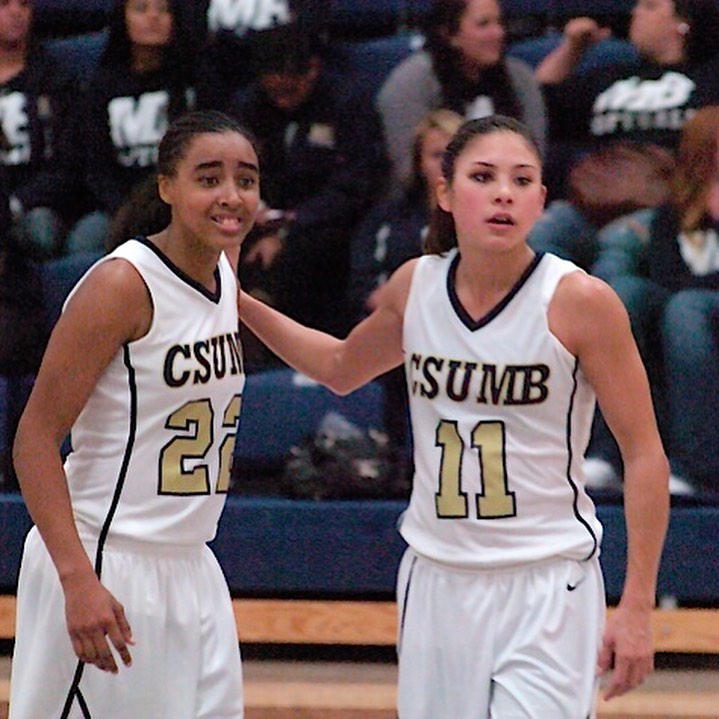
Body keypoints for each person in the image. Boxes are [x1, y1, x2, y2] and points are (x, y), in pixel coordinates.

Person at [239, 115, 669, 716]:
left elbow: (645, 454)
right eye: (483, 176)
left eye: (522, 180)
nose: (503, 193)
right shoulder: (416, 286)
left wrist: (639, 607)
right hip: (438, 578)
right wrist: (235, 300)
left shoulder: (580, 302)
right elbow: (339, 366)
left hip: (546, 580)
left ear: (541, 201)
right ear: (444, 192)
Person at [9, 109, 259, 718]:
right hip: (106, 559)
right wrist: (77, 581)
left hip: (193, 565)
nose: (231, 195)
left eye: (246, 179)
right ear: (167, 186)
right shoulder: (122, 285)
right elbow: (35, 440)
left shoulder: (224, 271)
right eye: (209, 177)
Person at [587, 105, 719, 496]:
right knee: (624, 296)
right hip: (686, 315)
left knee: (686, 309)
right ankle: (610, 453)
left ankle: (694, 466)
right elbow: (664, 274)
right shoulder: (673, 213)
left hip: (695, 311)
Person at [227, 20, 387, 337]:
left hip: (326, 220)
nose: (281, 100)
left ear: (311, 70)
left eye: (289, 91)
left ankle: (268, 328)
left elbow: (358, 181)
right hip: (257, 214)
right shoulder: (249, 107)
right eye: (273, 92)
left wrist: (291, 224)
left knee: (311, 252)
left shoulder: (346, 104)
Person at [529, 0, 719, 267]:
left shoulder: (707, 80)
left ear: (682, 23)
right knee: (540, 237)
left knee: (616, 248)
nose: (636, 12)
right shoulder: (611, 77)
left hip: (665, 204)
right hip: (593, 199)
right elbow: (538, 99)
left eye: (650, 7)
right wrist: (574, 48)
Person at [346, 108, 463, 458]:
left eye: (453, 156)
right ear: (417, 162)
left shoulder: (480, 224)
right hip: (400, 333)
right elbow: (365, 286)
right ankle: (398, 457)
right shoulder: (389, 218)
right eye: (435, 156)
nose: (444, 166)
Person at [63, 0, 219, 256]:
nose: (153, 17)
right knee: (84, 243)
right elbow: (94, 165)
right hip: (120, 203)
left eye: (163, 10)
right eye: (141, 9)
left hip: (187, 200)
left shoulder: (198, 79)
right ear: (122, 18)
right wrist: (127, 208)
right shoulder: (101, 86)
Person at [376, 0, 547, 192]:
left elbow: (535, 157)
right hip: (427, 204)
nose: (498, 33)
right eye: (483, 24)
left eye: (499, 23)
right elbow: (408, 171)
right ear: (450, 34)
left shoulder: (520, 78)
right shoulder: (411, 83)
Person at [0, 0, 78, 259]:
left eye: (24, 5)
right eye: (4, 5)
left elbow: (68, 165)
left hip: (37, 205)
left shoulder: (57, 79)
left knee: (40, 231)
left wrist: (15, 204)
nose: (16, 13)